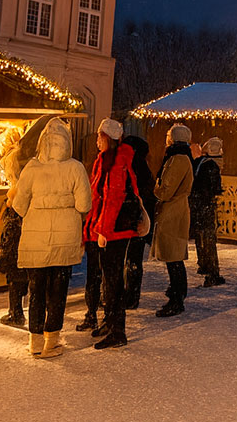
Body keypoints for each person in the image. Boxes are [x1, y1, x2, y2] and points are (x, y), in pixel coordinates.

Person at [12, 119, 92, 358]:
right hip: (65, 238)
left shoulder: (32, 168)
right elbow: (84, 204)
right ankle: (52, 340)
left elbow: (18, 205)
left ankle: (34, 340)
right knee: (58, 291)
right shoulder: (75, 168)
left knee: (36, 289)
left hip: (35, 240)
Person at [83, 118, 142, 349]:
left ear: (107, 138)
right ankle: (110, 321)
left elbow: (112, 198)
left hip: (115, 230)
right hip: (111, 228)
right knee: (109, 279)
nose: (96, 141)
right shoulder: (106, 160)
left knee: (113, 280)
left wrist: (103, 230)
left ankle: (118, 330)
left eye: (99, 136)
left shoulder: (117, 162)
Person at [153, 124, 194, 317]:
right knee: (173, 257)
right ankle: (176, 294)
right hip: (174, 211)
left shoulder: (178, 159)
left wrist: (156, 189)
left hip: (173, 212)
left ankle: (177, 299)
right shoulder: (181, 157)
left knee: (174, 258)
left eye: (169, 135)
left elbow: (167, 189)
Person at [0, 127, 28, 327]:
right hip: (24, 217)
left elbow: (13, 186)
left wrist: (10, 201)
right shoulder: (26, 157)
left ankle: (15, 311)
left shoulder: (11, 159)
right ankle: (18, 309)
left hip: (16, 214)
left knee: (13, 264)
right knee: (21, 265)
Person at [122, 134, 156, 309]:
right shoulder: (143, 166)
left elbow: (138, 195)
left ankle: (130, 295)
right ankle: (131, 295)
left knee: (132, 258)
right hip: (140, 218)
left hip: (135, 219)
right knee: (134, 258)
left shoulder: (134, 167)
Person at [190, 136, 226, 286]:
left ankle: (203, 263)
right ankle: (213, 271)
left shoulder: (199, 163)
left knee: (200, 234)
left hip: (196, 203)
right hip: (205, 204)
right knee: (210, 237)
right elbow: (214, 188)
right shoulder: (212, 166)